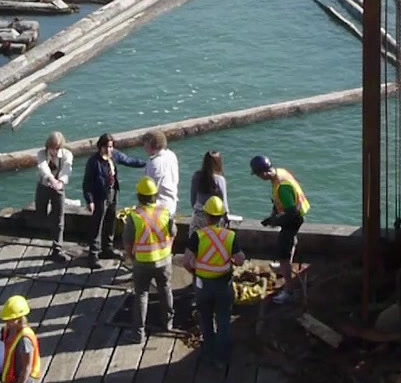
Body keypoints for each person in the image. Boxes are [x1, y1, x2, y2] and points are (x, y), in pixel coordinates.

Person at [180, 194, 246, 367]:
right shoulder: (230, 236)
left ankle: (208, 353)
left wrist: (195, 272)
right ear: (222, 216)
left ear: (206, 215)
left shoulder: (198, 236)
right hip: (223, 284)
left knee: (205, 319)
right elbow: (240, 260)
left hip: (203, 285)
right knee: (223, 320)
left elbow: (186, 261)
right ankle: (222, 358)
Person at [117, 175, 174, 343]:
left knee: (141, 294)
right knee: (165, 289)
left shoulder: (134, 217)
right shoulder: (165, 213)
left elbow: (127, 242)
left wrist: (132, 257)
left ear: (139, 196)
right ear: (155, 195)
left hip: (142, 262)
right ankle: (168, 323)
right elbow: (173, 233)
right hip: (164, 260)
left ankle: (138, 333)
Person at [250, 155, 310, 304]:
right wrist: (274, 214)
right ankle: (285, 264)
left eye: (258, 174)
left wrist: (275, 221)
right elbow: (280, 201)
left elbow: (292, 213)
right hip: (295, 214)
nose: (259, 178)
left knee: (282, 253)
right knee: (288, 243)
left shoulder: (282, 186)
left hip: (294, 218)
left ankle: (289, 291)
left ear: (264, 172)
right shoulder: (280, 173)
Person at [80, 132, 145, 262]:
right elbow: (87, 183)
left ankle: (107, 249)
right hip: (100, 196)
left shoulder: (114, 155)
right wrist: (89, 200)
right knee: (97, 224)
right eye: (106, 147)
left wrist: (147, 163)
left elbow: (129, 161)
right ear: (100, 147)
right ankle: (93, 254)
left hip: (113, 192)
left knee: (111, 221)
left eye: (111, 147)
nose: (109, 150)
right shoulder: (94, 162)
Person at [0, 294, 45, 383]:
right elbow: (2, 335)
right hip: (8, 380)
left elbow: (27, 368)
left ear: (18, 319)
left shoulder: (25, 340)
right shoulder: (10, 328)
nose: (6, 322)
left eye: (9, 319)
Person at [33, 131, 73, 261]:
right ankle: (51, 226)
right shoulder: (41, 154)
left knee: (59, 217)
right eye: (52, 148)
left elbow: (67, 168)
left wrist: (60, 182)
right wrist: (51, 179)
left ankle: (57, 248)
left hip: (59, 187)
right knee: (40, 213)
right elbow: (43, 167)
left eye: (57, 148)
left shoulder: (67, 154)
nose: (55, 151)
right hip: (43, 186)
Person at [141, 130, 180, 217]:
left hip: (159, 207)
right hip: (171, 204)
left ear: (150, 145)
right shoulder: (171, 155)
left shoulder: (153, 163)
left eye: (145, 144)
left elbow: (150, 188)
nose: (144, 147)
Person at [189, 150, 228, 218]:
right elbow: (224, 203)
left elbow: (193, 200)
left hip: (198, 215)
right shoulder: (220, 180)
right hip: (214, 217)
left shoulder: (197, 176)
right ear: (219, 163)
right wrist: (226, 215)